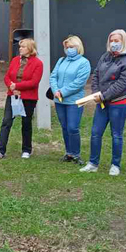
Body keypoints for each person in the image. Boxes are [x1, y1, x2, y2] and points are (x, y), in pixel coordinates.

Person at [80, 29, 126, 176]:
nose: (113, 43)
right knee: (95, 133)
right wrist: (96, 93)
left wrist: (103, 96)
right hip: (102, 102)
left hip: (119, 103)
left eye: (116, 41)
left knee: (116, 135)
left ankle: (115, 165)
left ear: (123, 42)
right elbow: (96, 74)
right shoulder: (105, 56)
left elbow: (122, 84)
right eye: (111, 40)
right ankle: (93, 163)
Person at [0, 38, 43, 160]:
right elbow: (7, 76)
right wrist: (11, 86)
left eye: (23, 46)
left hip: (28, 97)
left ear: (30, 49)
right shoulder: (15, 60)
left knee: (26, 123)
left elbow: (34, 82)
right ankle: (0, 150)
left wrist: (18, 86)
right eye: (20, 46)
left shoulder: (38, 63)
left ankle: (26, 150)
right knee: (6, 122)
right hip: (13, 95)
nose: (20, 48)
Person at [49, 35, 91, 165]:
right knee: (65, 127)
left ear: (78, 47)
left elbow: (79, 82)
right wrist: (56, 90)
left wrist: (63, 91)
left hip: (75, 100)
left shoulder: (84, 63)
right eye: (67, 47)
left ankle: (76, 154)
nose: (68, 49)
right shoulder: (61, 60)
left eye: (71, 47)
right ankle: (68, 153)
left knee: (73, 127)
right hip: (59, 100)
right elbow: (53, 76)